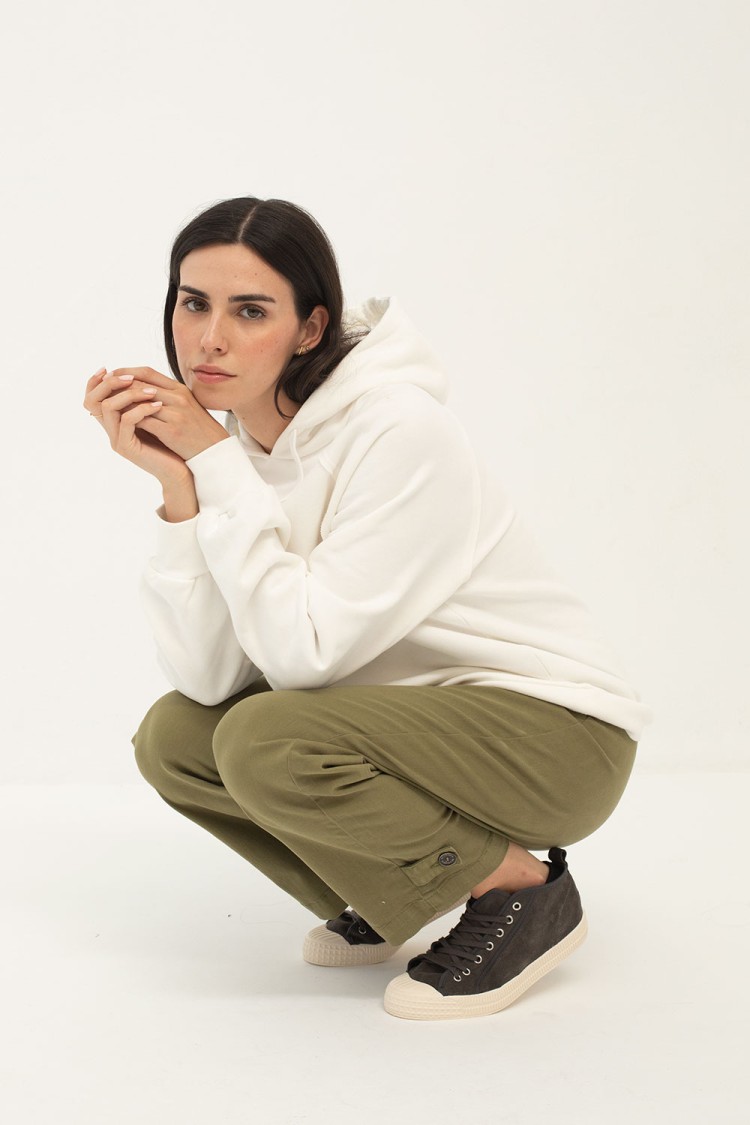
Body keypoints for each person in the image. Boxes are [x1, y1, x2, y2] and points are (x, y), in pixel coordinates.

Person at [83, 196, 649, 1021]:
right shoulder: (238, 452)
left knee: (265, 737)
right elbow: (209, 678)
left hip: (557, 740)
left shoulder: (399, 430)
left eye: (250, 311)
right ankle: (393, 888)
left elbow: (304, 655)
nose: (209, 339)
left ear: (310, 328)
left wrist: (215, 466)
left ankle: (520, 889)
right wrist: (183, 490)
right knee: (175, 738)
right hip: (414, 730)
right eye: (193, 302)